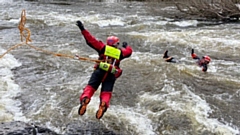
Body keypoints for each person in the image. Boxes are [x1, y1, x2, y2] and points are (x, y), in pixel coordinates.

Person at [76, 20, 133, 119]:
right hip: (111, 74)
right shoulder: (120, 53)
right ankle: (103, 104)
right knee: (106, 93)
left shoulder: (102, 48)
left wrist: (82, 29)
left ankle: (85, 99)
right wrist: (126, 46)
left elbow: (90, 40)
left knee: (90, 88)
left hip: (99, 71)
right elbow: (129, 52)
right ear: (116, 44)